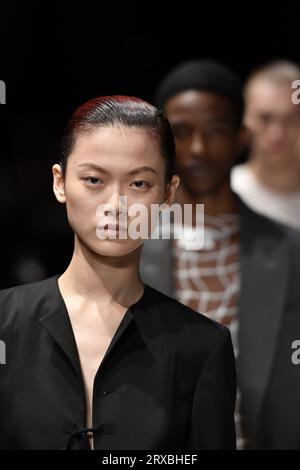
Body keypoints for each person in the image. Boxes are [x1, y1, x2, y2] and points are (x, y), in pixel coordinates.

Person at [0, 95, 236, 450]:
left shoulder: (201, 348)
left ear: (168, 194)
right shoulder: (5, 322)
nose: (116, 206)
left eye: (138, 184)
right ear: (60, 183)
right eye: (94, 180)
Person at [140, 61, 300, 449]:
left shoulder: (290, 250)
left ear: (241, 136)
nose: (198, 147)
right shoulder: (130, 245)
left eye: (215, 130)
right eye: (181, 132)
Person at [231, 60, 300, 229]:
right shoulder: (225, 191)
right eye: (265, 118)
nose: (277, 134)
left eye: (290, 118)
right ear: (245, 120)